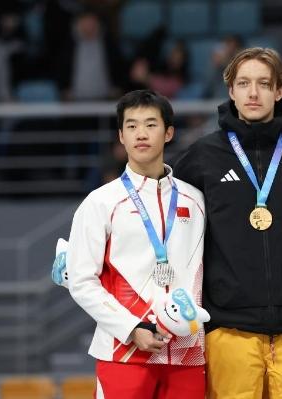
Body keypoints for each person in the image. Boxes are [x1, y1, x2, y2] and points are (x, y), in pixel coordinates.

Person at [174, 47, 282, 398]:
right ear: (230, 90)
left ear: (280, 91)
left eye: (264, 83)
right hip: (229, 325)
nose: (253, 93)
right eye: (243, 83)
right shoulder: (204, 156)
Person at [66, 90, 207, 398]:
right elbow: (80, 280)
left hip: (186, 353)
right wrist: (131, 328)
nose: (141, 134)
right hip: (124, 351)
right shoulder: (100, 202)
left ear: (169, 132)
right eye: (131, 126)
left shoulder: (195, 200)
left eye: (151, 124)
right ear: (121, 136)